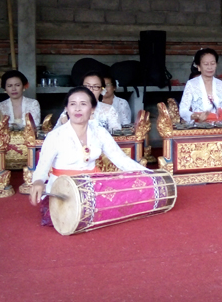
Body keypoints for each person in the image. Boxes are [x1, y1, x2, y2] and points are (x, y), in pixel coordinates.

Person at [29, 87, 148, 222]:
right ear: (67, 109)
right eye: (72, 104)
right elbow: (42, 166)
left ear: (92, 109)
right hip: (63, 189)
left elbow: (121, 159)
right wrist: (38, 181)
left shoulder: (100, 132)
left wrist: (148, 174)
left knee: (127, 194)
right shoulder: (55, 135)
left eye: (83, 104)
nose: (77, 109)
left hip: (92, 185)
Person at [179, 48, 222, 123]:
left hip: (220, 127)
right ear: (199, 66)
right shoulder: (191, 84)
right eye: (206, 64)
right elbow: (183, 110)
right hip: (198, 127)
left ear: (216, 65)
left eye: (212, 63)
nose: (210, 67)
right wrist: (195, 116)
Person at [54, 71, 121, 132]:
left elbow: (116, 134)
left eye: (96, 86)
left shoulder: (109, 110)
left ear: (102, 90)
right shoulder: (71, 109)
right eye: (87, 86)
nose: (91, 90)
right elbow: (56, 133)